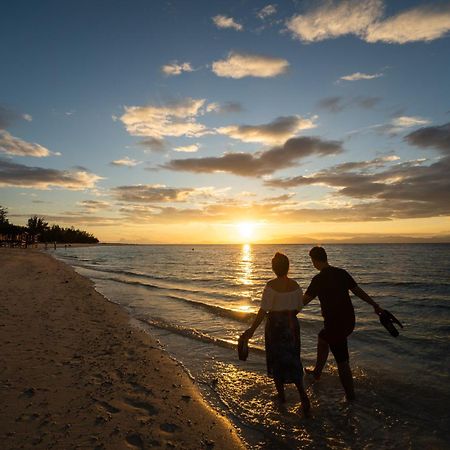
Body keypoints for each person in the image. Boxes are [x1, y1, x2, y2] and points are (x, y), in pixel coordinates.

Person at [302, 246, 383, 401]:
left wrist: (287, 311)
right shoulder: (341, 273)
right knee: (322, 338)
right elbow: (357, 291)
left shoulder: (318, 279)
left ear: (314, 261)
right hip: (349, 321)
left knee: (342, 360)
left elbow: (303, 302)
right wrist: (374, 305)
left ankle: (351, 397)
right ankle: (317, 373)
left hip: (335, 324)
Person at [243, 252, 310, 413]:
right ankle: (303, 396)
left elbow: (263, 310)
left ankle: (282, 396)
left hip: (275, 326)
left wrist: (251, 330)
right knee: (294, 358)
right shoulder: (296, 286)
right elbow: (299, 307)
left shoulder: (270, 286)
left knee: (277, 360)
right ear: (288, 267)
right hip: (292, 325)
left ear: (274, 268)